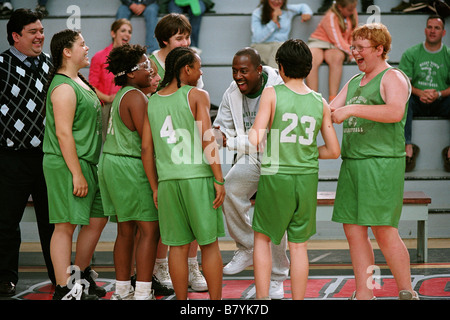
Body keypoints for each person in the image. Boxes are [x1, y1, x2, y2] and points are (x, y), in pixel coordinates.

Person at [330, 23, 419, 300]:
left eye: (360, 47)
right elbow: (331, 109)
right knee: (354, 232)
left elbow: (394, 111)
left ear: (380, 49)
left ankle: (406, 291)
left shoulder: (393, 77)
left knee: (384, 232)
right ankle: (364, 293)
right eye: (352, 47)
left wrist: (352, 109)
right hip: (353, 163)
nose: (354, 52)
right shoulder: (355, 81)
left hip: (381, 164)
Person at [249, 39, 340, 300]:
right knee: (299, 246)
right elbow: (334, 151)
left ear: (281, 68)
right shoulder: (319, 101)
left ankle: (262, 300)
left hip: (277, 175)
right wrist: (308, 152)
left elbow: (255, 139)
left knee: (263, 239)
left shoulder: (272, 93)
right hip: (307, 178)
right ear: (309, 68)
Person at [141, 46, 225, 300]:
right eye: (198, 67)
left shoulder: (153, 100)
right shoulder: (197, 95)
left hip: (167, 182)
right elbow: (207, 140)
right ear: (186, 69)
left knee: (176, 248)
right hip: (198, 179)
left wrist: (155, 187)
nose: (201, 72)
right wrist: (219, 179)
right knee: (208, 245)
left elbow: (146, 148)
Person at [213, 47, 290, 299]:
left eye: (243, 71)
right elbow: (220, 129)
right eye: (234, 71)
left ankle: (278, 277)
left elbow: (267, 139)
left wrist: (232, 141)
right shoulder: (231, 92)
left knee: (273, 216)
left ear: (259, 70)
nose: (238, 76)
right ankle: (247, 245)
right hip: (251, 158)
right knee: (231, 187)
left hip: (279, 158)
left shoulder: (278, 89)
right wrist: (218, 134)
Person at [43, 29, 108, 300]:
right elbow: (63, 133)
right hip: (67, 164)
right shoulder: (63, 86)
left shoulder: (78, 81)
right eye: (82, 44)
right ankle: (63, 288)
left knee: (98, 217)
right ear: (66, 52)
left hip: (87, 162)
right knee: (65, 225)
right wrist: (77, 174)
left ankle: (78, 276)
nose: (87, 47)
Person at [149, 12, 208, 292]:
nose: (185, 41)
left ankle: (192, 265)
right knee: (165, 221)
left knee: (195, 219)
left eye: (187, 36)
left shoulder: (191, 65)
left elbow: (199, 107)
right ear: (164, 40)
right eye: (179, 38)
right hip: (163, 147)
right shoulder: (151, 64)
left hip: (189, 151)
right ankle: (160, 265)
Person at [98, 44, 160, 300]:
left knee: (125, 231)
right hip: (129, 165)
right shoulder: (136, 97)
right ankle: (143, 290)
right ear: (131, 73)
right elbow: (149, 142)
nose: (150, 69)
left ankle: (122, 289)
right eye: (145, 65)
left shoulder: (123, 93)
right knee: (149, 229)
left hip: (112, 163)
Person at [0, 8, 55, 297]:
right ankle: (5, 278)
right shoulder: (0, 64)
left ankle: (59, 277)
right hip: (10, 158)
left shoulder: (50, 63)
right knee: (6, 222)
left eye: (41, 31)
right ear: (16, 35)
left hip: (47, 157)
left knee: (53, 222)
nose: (40, 36)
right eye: (33, 32)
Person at [398, 15, 450, 172]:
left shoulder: (448, 55)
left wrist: (439, 94)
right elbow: (403, 83)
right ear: (425, 30)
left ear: (444, 32)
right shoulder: (412, 53)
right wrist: (420, 92)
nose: (433, 31)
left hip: (442, 101)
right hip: (417, 100)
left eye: (437, 28)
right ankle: (408, 148)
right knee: (403, 98)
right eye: (430, 27)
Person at [89, 18, 132, 142]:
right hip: (105, 105)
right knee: (105, 140)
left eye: (129, 32)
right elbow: (91, 86)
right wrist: (107, 98)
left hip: (125, 104)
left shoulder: (132, 58)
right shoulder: (99, 56)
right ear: (113, 33)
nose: (127, 34)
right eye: (123, 30)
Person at [306, 0, 358, 102]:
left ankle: (333, 100)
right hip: (319, 41)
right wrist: (352, 52)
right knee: (312, 58)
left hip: (335, 45)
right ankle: (313, 99)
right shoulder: (330, 16)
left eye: (353, 9)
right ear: (340, 7)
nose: (352, 12)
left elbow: (353, 34)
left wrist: (353, 49)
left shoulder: (352, 11)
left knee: (337, 58)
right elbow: (337, 40)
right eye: (349, 10)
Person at [250, 0, 312, 68]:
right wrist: (273, 21)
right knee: (281, 51)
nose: (277, 1)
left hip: (280, 47)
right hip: (261, 46)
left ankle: (273, 76)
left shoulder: (287, 10)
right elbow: (257, 38)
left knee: (282, 48)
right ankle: (275, 76)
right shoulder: (258, 13)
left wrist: (307, 13)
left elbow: (303, 6)